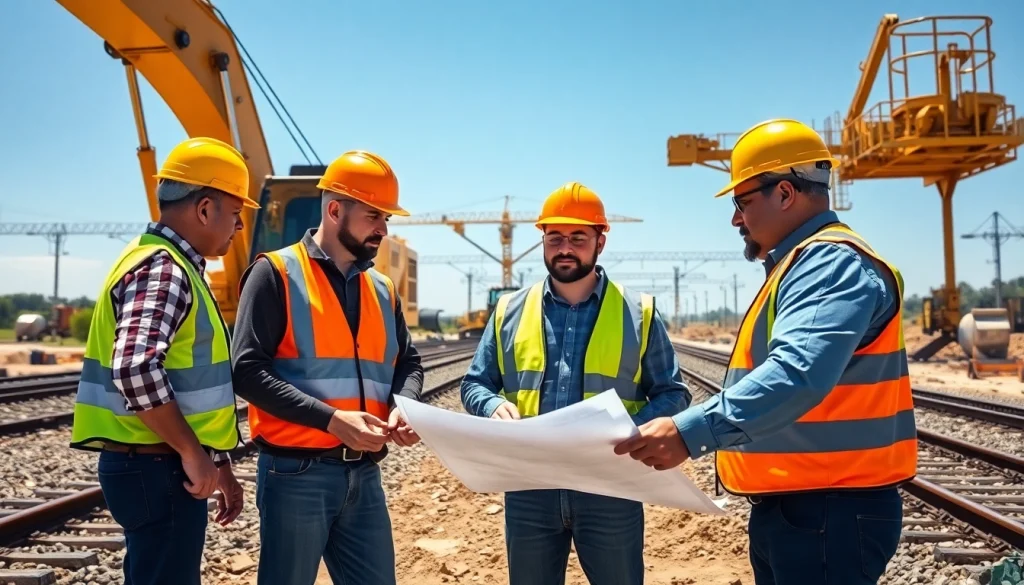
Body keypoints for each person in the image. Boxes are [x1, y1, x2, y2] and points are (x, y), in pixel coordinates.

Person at [614, 119, 917, 585]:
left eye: (742, 201)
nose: (737, 218)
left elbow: (798, 375)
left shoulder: (829, 263)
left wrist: (687, 431)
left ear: (785, 193)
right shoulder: (801, 265)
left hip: (828, 509)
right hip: (806, 507)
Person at [460, 181, 691, 585]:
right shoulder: (508, 310)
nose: (565, 247)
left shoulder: (639, 312)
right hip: (530, 486)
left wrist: (630, 432)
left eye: (578, 237)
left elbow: (672, 393)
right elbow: (475, 384)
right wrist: (492, 405)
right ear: (544, 242)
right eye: (555, 238)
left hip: (611, 486)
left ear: (600, 242)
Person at [230, 149, 424, 585]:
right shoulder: (274, 273)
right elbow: (246, 371)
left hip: (365, 473)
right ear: (335, 210)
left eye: (387, 218)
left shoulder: (382, 289)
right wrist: (332, 420)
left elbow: (407, 363)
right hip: (295, 474)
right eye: (374, 214)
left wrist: (404, 405)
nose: (383, 228)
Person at [70, 136, 256, 585]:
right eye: (234, 214)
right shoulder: (165, 269)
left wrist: (220, 463)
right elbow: (135, 367)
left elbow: (183, 382)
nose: (238, 228)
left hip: (156, 461)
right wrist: (193, 454)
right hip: (158, 465)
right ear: (205, 208)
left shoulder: (164, 261)